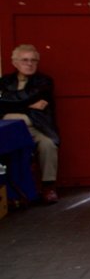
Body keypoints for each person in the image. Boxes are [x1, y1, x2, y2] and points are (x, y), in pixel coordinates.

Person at [1, 44, 60, 204]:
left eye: (33, 60)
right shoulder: (5, 81)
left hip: (35, 127)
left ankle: (48, 187)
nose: (29, 64)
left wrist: (10, 103)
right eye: (25, 60)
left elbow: (12, 99)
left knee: (48, 145)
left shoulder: (44, 81)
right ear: (15, 63)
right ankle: (11, 190)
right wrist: (27, 105)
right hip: (10, 128)